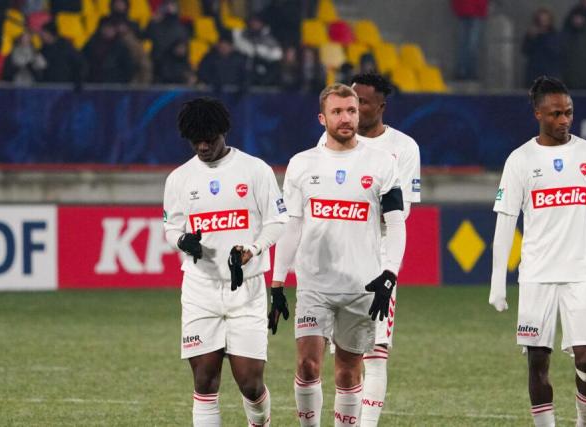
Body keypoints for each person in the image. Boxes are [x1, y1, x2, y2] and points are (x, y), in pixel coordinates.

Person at [489, 76, 586, 427]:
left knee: (585, 360)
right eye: (555, 114)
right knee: (537, 362)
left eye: (568, 113)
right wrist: (497, 283)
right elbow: (505, 221)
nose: (564, 120)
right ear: (537, 114)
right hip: (536, 276)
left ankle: (584, 421)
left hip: (580, 274)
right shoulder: (520, 160)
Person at [270, 83, 407, 426]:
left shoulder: (382, 163)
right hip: (314, 284)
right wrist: (277, 281)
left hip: (362, 287)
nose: (346, 118)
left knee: (348, 371)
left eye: (351, 111)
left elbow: (396, 223)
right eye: (337, 112)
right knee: (307, 365)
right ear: (322, 118)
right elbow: (292, 226)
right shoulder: (302, 165)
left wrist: (390, 272)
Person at [163, 97, 289, 427]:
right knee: (204, 381)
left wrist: (254, 248)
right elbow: (171, 227)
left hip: (245, 290)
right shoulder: (179, 178)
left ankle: (260, 421)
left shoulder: (255, 170)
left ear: (224, 133)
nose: (203, 146)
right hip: (200, 288)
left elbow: (277, 220)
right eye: (196, 141)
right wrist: (181, 241)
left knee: (249, 383)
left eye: (210, 139)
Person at [522, 8, 562, 88]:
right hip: (533, 74)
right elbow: (525, 50)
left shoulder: (554, 34)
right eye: (541, 19)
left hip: (550, 74)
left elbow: (556, 52)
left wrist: (545, 36)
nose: (543, 22)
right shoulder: (532, 34)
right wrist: (531, 38)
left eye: (546, 19)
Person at [450, 0, 488, 80]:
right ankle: (470, 72)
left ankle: (463, 71)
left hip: (464, 9)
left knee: (464, 43)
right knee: (472, 44)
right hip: (476, 9)